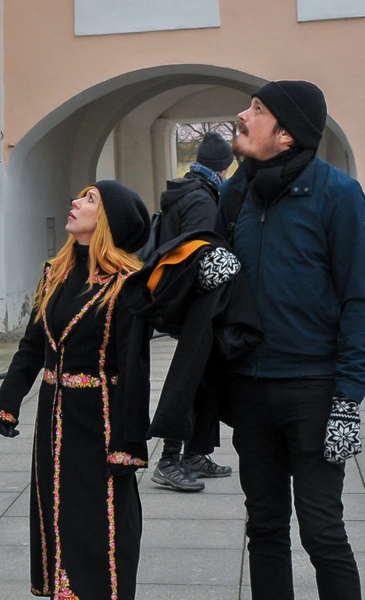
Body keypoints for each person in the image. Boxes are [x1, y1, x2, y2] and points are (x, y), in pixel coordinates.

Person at [0, 181, 244, 600]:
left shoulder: (128, 284)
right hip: (54, 420)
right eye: (77, 194)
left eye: (88, 198)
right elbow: (35, 345)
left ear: (107, 218)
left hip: (103, 420)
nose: (75, 202)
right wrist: (9, 400)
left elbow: (134, 368)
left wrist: (130, 443)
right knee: (63, 524)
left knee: (107, 531)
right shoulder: (54, 272)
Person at [213, 80, 365, 600]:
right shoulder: (238, 191)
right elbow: (220, 266)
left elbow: (361, 300)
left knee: (323, 532)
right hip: (251, 388)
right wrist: (209, 270)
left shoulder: (336, 194)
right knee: (264, 527)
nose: (242, 117)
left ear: (289, 131)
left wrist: (348, 400)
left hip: (314, 390)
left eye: (256, 110)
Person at [150, 132, 236, 493]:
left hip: (187, 302)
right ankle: (170, 459)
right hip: (199, 305)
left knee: (202, 378)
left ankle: (194, 454)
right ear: (224, 167)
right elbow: (199, 252)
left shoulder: (185, 191)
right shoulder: (202, 199)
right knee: (188, 380)